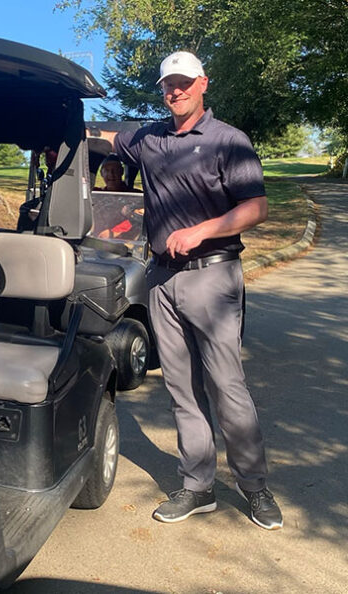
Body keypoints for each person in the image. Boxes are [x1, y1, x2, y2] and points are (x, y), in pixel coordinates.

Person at [88, 51, 283, 530]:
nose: (175, 91)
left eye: (184, 83)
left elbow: (255, 207)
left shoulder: (227, 140)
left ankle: (253, 486)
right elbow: (106, 135)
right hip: (160, 277)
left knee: (226, 385)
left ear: (202, 84)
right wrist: (70, 132)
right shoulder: (150, 137)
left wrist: (201, 231)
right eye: (168, 84)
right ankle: (197, 486)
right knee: (181, 388)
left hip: (212, 276)